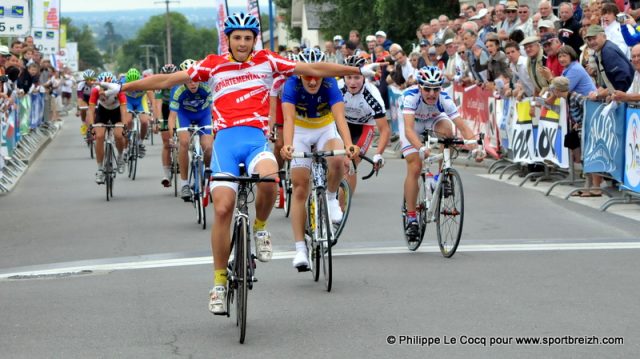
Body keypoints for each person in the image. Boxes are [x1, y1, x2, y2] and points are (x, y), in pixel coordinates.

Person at [102, 12, 378, 314]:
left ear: (254, 40)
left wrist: (353, 68)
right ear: (229, 40)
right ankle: (219, 283)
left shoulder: (268, 60)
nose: (243, 43)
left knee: (271, 179)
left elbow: (313, 68)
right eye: (238, 38)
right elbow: (168, 80)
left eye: (248, 38)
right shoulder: (212, 64)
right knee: (222, 209)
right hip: (225, 144)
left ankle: (260, 228)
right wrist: (126, 88)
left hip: (256, 141)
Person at [279, 48, 360, 271]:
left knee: (337, 158)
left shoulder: (330, 83)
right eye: (308, 76)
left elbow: (339, 117)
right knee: (300, 189)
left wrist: (348, 143)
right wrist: (287, 145)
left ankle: (332, 198)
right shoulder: (291, 85)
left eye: (317, 76)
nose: (313, 81)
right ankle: (300, 249)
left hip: (325, 128)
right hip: (300, 132)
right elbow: (288, 119)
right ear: (300, 74)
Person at [400, 66, 455, 240]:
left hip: (433, 120)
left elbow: (461, 124)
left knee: (449, 132)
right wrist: (421, 147)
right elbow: (408, 130)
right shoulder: (410, 96)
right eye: (427, 89)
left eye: (436, 89)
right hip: (413, 125)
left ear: (441, 88)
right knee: (415, 167)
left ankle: (442, 176)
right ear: (419, 87)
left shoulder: (444, 98)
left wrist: (476, 146)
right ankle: (411, 218)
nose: (432, 93)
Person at [339, 55, 390, 196]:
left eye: (357, 77)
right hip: (342, 125)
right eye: (348, 77)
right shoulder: (338, 89)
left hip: (363, 128)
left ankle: (344, 201)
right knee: (334, 159)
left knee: (350, 162)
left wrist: (378, 154)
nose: (352, 82)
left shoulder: (372, 95)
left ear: (364, 77)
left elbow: (385, 130)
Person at [167, 59, 214, 201]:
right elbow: (172, 117)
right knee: (184, 142)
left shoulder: (207, 87)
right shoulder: (177, 90)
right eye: (188, 80)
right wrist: (172, 135)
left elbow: (214, 110)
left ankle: (208, 176)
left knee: (208, 147)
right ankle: (184, 184)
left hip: (203, 114)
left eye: (195, 79)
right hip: (184, 115)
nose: (192, 83)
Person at [87, 72, 128, 183]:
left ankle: (120, 157)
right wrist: (91, 126)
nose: (105, 91)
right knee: (99, 136)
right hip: (102, 112)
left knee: (119, 135)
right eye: (103, 87)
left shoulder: (119, 90)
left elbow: (124, 110)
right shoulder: (95, 90)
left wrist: (124, 126)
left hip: (116, 112)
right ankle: (100, 169)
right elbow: (91, 110)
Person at [154, 63, 178, 187]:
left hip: (178, 108)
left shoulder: (180, 84)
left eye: (171, 76)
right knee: (166, 144)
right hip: (165, 108)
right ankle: (167, 174)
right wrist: (158, 121)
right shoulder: (160, 85)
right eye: (166, 76)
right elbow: (158, 105)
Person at [123, 68, 151, 159]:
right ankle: (126, 147)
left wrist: (153, 112)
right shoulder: (122, 82)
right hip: (128, 102)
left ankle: (140, 143)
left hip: (140, 102)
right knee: (128, 122)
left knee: (144, 122)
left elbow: (151, 97)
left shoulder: (145, 83)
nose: (133, 87)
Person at [76, 69, 97, 137]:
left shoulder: (97, 84)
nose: (89, 81)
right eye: (87, 79)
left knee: (94, 112)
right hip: (85, 98)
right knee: (83, 108)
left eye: (91, 79)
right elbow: (80, 98)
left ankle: (93, 125)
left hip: (94, 98)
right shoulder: (81, 85)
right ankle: (84, 123)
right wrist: (78, 109)